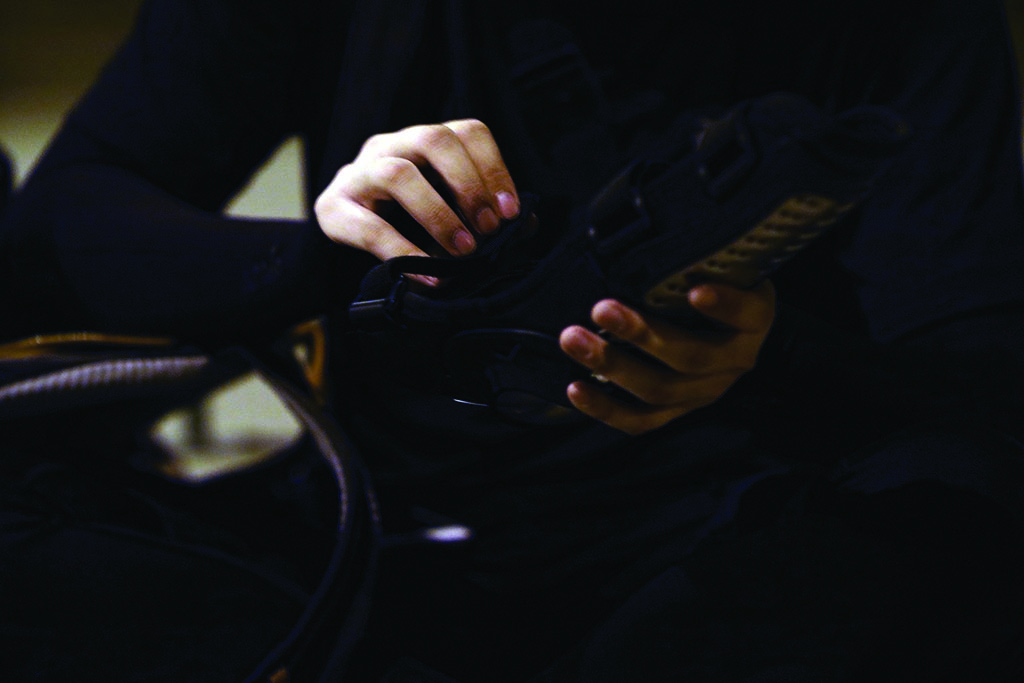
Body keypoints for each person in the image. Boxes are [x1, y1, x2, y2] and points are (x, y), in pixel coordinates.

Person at [3, 0, 1024, 680]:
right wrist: (323, 257)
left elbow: (978, 378)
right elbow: (57, 229)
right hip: (382, 534)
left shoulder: (898, 21)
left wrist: (762, 356)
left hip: (738, 547)